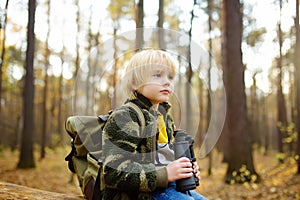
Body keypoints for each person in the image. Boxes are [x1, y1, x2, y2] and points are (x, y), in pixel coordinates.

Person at [102, 49, 207, 200]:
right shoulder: (126, 116)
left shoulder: (165, 118)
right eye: (157, 75)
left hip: (168, 188)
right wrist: (165, 174)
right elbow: (113, 173)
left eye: (170, 77)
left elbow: (165, 160)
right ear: (135, 82)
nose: (167, 82)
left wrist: (184, 170)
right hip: (139, 194)